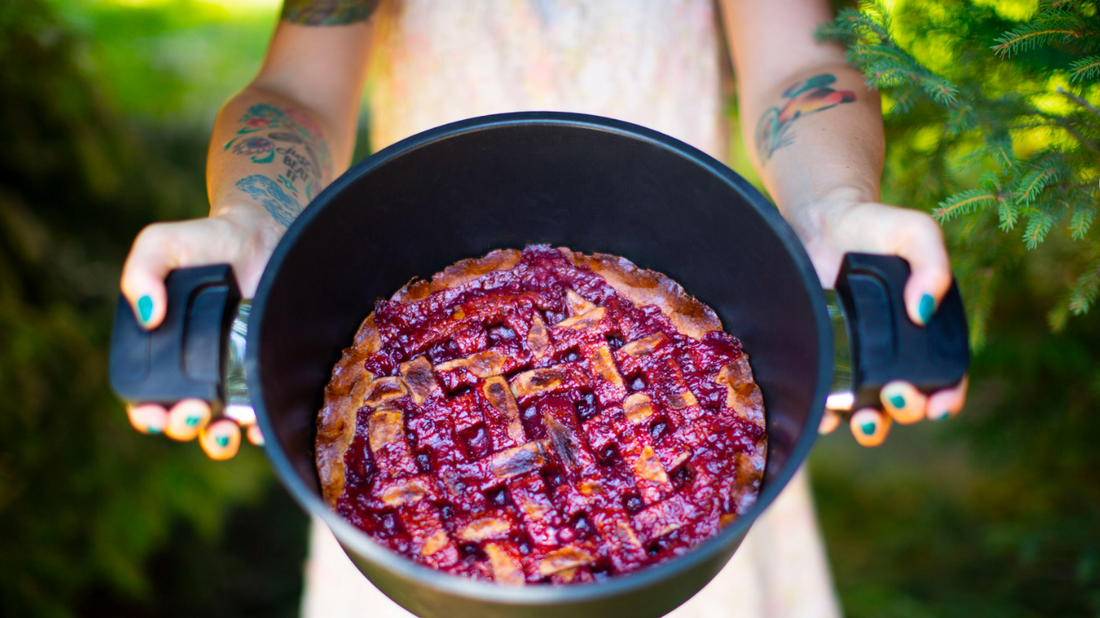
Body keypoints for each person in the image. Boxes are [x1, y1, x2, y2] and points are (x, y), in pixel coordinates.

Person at [120, 1, 969, 615]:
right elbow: (299, 91)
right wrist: (248, 215)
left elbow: (800, 66)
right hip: (416, 529)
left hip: (681, 509)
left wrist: (832, 208)